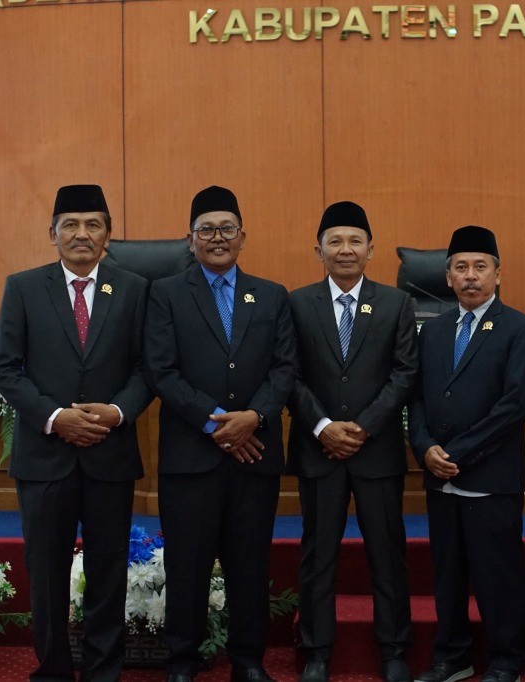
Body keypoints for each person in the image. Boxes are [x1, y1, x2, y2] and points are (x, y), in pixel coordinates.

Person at [0, 184, 153, 681]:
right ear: (53, 234)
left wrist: (116, 412)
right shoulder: (23, 286)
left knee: (108, 572)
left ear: (108, 234)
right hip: (44, 456)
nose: (82, 235)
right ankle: (54, 669)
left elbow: (149, 368)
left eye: (93, 225)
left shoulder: (134, 288)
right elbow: (7, 369)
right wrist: (56, 417)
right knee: (46, 574)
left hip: (110, 452)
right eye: (71, 225)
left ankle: (105, 670)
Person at [144, 185, 297, 682]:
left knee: (249, 564)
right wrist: (216, 422)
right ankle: (182, 663)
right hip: (191, 456)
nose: (217, 238)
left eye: (226, 228)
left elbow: (285, 367)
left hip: (255, 456)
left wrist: (254, 416)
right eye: (206, 230)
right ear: (189, 240)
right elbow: (161, 371)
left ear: (242, 237)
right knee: (187, 567)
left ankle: (248, 661)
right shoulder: (164, 294)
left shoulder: (272, 295)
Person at [287, 201, 419, 682]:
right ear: (318, 249)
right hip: (318, 450)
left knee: (387, 553)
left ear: (370, 249)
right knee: (318, 554)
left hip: (376, 451)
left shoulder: (396, 303)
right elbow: (290, 374)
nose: (345, 249)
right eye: (335, 241)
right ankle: (317, 651)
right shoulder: (297, 303)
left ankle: (394, 650)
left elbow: (405, 373)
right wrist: (324, 426)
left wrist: (363, 426)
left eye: (355, 241)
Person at [408, 226, 525, 682]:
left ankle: (506, 661)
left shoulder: (521, 329)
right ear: (447, 277)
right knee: (447, 576)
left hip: (490, 475)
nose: (470, 276)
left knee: (496, 577)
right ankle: (453, 658)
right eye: (461, 268)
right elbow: (418, 398)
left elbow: (514, 406)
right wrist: (425, 448)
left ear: (498, 274)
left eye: (480, 267)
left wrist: (456, 452)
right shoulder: (434, 330)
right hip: (438, 474)